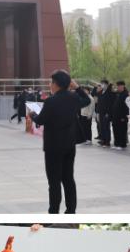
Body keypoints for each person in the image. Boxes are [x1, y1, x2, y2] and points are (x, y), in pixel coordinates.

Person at [31, 69, 91, 214]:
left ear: (56, 84)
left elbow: (41, 120)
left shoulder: (51, 101)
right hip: (69, 145)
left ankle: (53, 212)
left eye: (51, 82)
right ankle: (71, 211)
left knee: (54, 182)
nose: (50, 85)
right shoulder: (74, 97)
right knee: (68, 179)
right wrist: (77, 88)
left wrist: (32, 114)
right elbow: (87, 100)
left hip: (53, 147)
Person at [111, 80, 129, 150]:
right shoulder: (117, 94)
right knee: (115, 130)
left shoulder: (126, 94)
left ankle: (122, 144)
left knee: (122, 130)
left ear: (123, 86)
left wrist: (124, 116)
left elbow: (127, 107)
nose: (118, 87)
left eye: (119, 86)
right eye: (117, 86)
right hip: (115, 115)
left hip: (122, 116)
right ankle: (117, 143)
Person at [97, 80, 115, 146]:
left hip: (106, 113)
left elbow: (110, 104)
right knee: (101, 126)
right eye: (101, 84)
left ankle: (107, 141)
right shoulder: (100, 92)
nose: (102, 85)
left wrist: (108, 113)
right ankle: (103, 140)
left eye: (103, 84)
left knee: (106, 127)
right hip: (101, 112)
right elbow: (99, 103)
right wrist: (97, 112)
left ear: (107, 85)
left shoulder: (110, 93)